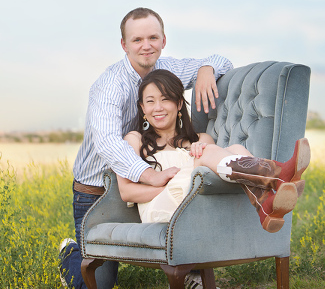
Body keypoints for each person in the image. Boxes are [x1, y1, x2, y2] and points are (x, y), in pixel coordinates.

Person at [59, 8, 233, 289]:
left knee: (180, 200)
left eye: (153, 37)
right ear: (124, 45)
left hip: (150, 180)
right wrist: (149, 175)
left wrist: (206, 70)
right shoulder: (109, 86)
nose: (146, 45)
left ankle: (189, 271)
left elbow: (221, 59)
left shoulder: (169, 70)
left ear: (163, 40)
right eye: (137, 39)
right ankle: (70, 254)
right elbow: (107, 142)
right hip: (96, 190)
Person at [117, 70, 310, 233]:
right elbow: (127, 192)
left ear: (178, 104)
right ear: (142, 108)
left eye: (165, 99)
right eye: (150, 101)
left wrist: (196, 157)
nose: (157, 108)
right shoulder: (134, 140)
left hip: (200, 205)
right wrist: (168, 186)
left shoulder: (201, 140)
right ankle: (276, 174)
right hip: (160, 209)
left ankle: (265, 204)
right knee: (209, 154)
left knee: (236, 149)